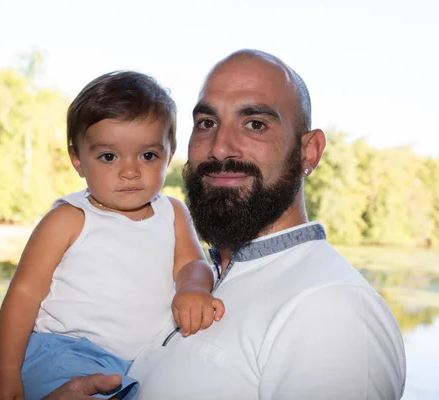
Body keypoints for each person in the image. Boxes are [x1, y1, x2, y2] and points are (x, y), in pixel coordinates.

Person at [47, 49, 407, 400]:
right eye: (207, 123)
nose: (219, 148)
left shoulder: (333, 309)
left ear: (308, 152)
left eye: (255, 124)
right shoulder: (197, 272)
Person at [0, 71, 225, 400]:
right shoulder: (69, 219)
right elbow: (23, 295)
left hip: (139, 364)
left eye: (148, 155)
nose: (129, 170)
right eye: (108, 156)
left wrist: (193, 288)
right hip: (64, 355)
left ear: (169, 156)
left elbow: (191, 264)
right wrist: (5, 372)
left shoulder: (172, 212)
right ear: (78, 160)